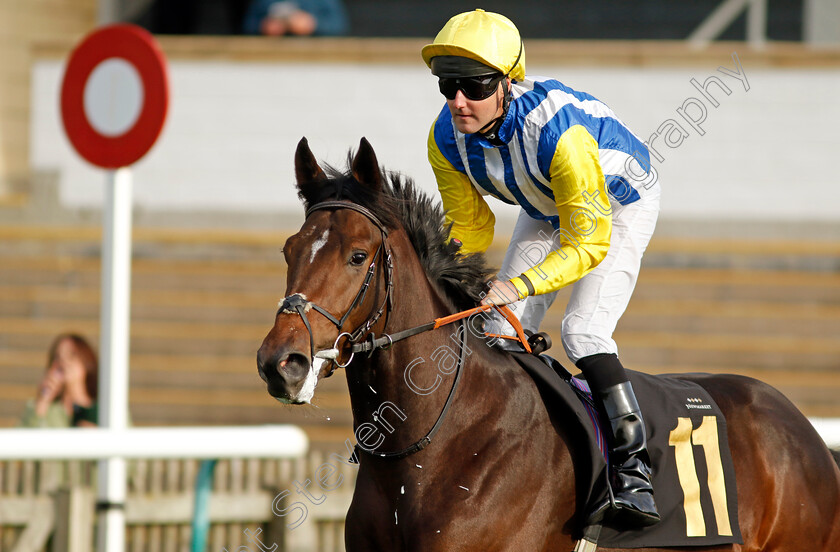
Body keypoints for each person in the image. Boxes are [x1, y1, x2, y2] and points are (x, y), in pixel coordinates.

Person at [422, 9, 661, 526]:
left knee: (583, 331)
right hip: (549, 206)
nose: (458, 101)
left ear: (509, 82)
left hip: (616, 208)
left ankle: (633, 471)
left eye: (473, 86)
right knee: (499, 330)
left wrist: (517, 284)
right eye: (447, 86)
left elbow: (588, 242)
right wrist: (436, 270)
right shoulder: (445, 136)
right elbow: (471, 225)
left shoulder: (560, 136)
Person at [20, 333, 98, 428]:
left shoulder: (101, 411)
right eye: (57, 357)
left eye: (71, 355)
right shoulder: (46, 410)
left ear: (86, 360)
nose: (63, 361)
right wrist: (43, 401)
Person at [241, 0, 348, 36]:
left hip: (313, 59)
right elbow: (247, 25)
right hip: (272, 60)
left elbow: (339, 24)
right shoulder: (265, 2)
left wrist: (313, 24)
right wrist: (264, 26)